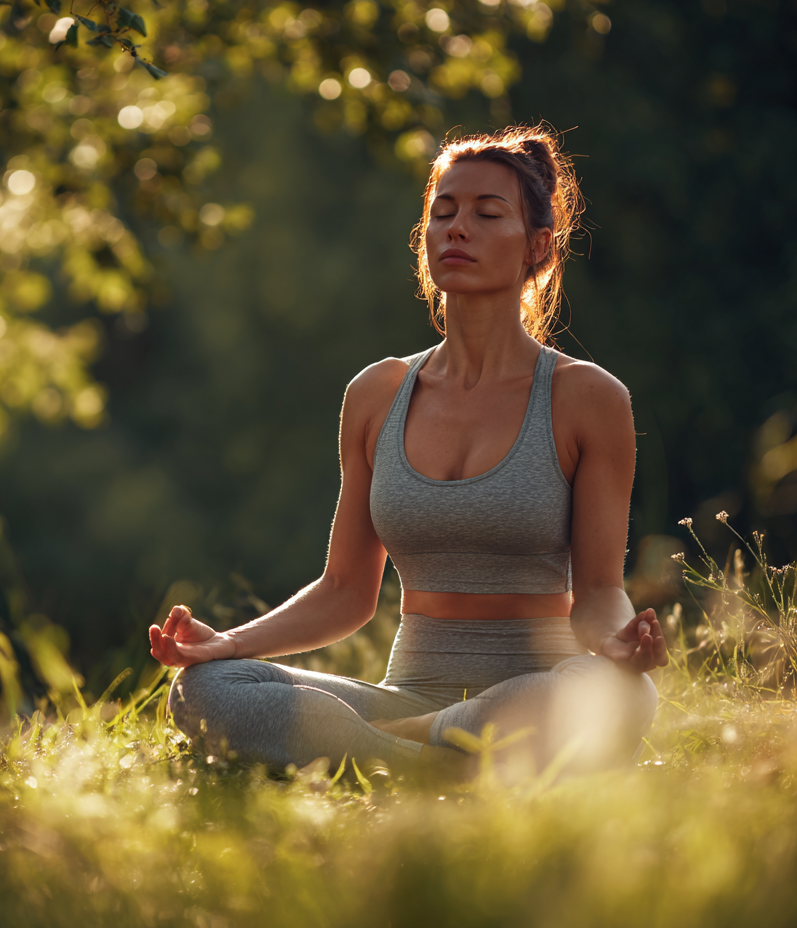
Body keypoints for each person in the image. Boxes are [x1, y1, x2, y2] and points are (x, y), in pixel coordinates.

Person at [148, 126, 666, 778]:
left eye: (487, 214)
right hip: (405, 698)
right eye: (442, 213)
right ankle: (442, 762)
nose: (457, 228)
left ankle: (382, 756)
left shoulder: (587, 397)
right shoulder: (377, 393)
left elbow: (597, 591)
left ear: (538, 246)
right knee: (206, 688)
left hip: (537, 687)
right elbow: (344, 591)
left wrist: (616, 643)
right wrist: (227, 644)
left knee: (620, 693)